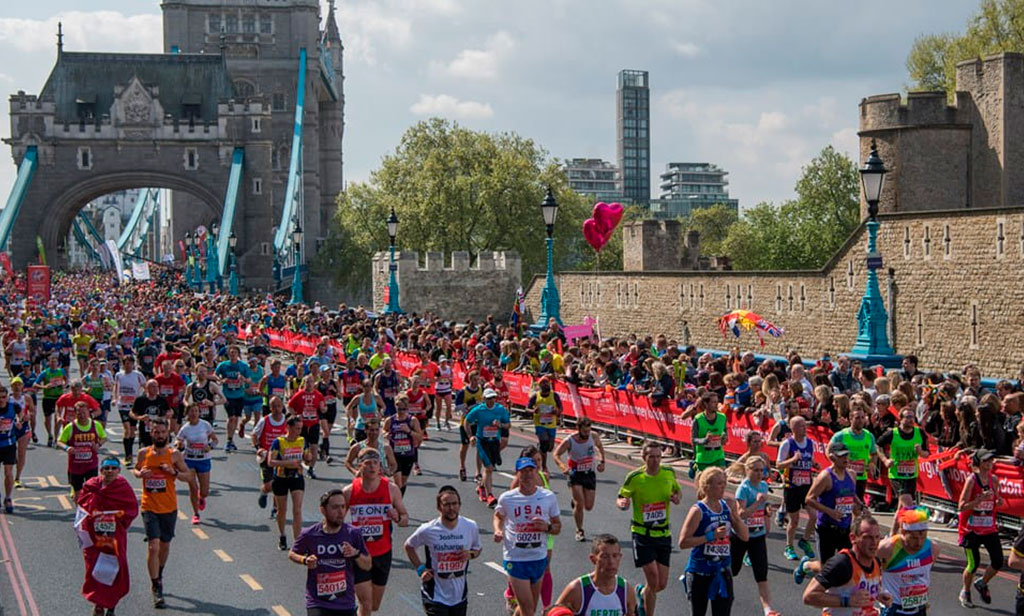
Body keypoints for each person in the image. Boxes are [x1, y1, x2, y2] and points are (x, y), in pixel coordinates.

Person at [616, 442, 682, 616]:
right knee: (653, 581)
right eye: (651, 457)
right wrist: (623, 503)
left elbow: (677, 490)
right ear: (644, 457)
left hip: (663, 534)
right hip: (642, 534)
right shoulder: (635, 477)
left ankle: (641, 594)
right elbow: (622, 496)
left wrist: (676, 497)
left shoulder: (668, 473)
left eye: (658, 456)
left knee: (661, 584)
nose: (655, 460)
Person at [132, 417, 192, 608]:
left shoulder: (174, 455)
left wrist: (173, 473)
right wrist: (139, 474)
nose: (159, 435)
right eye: (156, 432)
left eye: (162, 432)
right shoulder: (144, 453)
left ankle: (160, 571)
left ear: (168, 433)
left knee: (164, 546)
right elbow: (135, 469)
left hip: (169, 507)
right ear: (151, 433)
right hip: (149, 506)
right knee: (153, 546)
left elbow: (189, 476)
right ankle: (156, 585)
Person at [344, 447, 409, 616]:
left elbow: (405, 519)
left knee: (373, 605)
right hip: (358, 553)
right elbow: (336, 520)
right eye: (368, 463)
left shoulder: (391, 489)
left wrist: (397, 517)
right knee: (365, 604)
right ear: (360, 466)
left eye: (376, 463)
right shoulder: (349, 491)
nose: (372, 467)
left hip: (383, 553)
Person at [494, 456, 561, 616]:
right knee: (528, 611)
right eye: (523, 472)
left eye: (530, 471)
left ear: (536, 472)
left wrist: (547, 527)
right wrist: (498, 529)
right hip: (515, 558)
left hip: (538, 557)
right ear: (517, 474)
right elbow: (498, 515)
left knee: (530, 607)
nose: (527, 475)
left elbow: (557, 527)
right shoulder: (507, 498)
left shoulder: (548, 497)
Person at [289, 488, 372, 616]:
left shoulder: (353, 533)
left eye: (343, 507)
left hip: (345, 603)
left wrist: (355, 554)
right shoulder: (310, 534)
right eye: (335, 507)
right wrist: (305, 560)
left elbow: (367, 564)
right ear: (323, 510)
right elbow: (292, 553)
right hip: (318, 602)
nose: (341, 512)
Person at [678, 467, 748, 616]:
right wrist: (710, 536)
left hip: (722, 571)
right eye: (719, 484)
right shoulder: (698, 510)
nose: (723, 487)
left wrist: (735, 515)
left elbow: (745, 536)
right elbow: (683, 542)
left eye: (724, 483)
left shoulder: (726, 507)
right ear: (707, 486)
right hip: (699, 572)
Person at [404, 485, 482, 616]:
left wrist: (470, 554)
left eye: (454, 504)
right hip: (435, 593)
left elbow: (477, 549)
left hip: (459, 594)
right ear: (439, 507)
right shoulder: (428, 529)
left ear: (459, 505)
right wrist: (420, 569)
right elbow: (409, 546)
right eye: (446, 505)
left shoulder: (470, 526)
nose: (451, 508)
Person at [77, 457, 139, 616]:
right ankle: (98, 603)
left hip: (114, 538)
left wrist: (117, 516)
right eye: (106, 468)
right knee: (94, 568)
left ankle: (111, 604)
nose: (109, 471)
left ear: (118, 471)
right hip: (94, 537)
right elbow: (82, 506)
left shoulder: (122, 487)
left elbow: (131, 509)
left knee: (115, 569)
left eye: (113, 468)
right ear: (101, 470)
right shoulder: (91, 486)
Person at [802, 513, 892, 614]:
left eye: (877, 537)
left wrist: (879, 595)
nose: (874, 542)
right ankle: (806, 565)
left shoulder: (875, 561)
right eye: (868, 537)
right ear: (853, 538)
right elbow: (809, 596)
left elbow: (864, 588)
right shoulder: (842, 563)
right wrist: (847, 601)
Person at [730, 456, 778, 616]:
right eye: (756, 470)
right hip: (740, 536)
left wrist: (767, 509)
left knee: (761, 573)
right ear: (747, 470)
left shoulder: (764, 486)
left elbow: (763, 506)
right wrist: (757, 503)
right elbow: (741, 514)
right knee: (732, 570)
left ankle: (768, 610)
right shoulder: (743, 489)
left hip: (758, 535)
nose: (759, 474)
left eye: (762, 470)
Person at [957, 448, 1005, 607]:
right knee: (973, 564)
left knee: (998, 561)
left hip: (989, 527)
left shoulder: (994, 480)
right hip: (971, 529)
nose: (990, 463)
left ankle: (982, 582)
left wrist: (999, 501)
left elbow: (997, 498)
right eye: (986, 461)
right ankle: (966, 591)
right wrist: (977, 501)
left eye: (991, 460)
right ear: (979, 463)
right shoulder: (972, 480)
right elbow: (961, 506)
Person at [551, 533, 638, 616]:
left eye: (615, 556)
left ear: (620, 557)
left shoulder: (626, 590)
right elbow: (553, 613)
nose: (611, 562)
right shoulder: (577, 589)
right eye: (605, 556)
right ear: (593, 559)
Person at [805, 441, 861, 564]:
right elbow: (809, 499)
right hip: (827, 528)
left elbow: (851, 493)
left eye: (846, 455)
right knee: (826, 568)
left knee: (848, 564)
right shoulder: (825, 477)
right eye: (841, 456)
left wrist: (859, 504)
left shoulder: (851, 474)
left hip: (845, 528)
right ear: (832, 457)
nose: (845, 458)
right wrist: (830, 511)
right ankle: (807, 565)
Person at [552, 417, 606, 542]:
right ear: (578, 429)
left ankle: (575, 502)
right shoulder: (570, 440)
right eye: (584, 431)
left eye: (589, 430)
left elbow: (600, 447)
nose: (587, 434)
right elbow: (556, 454)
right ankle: (579, 530)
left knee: (588, 506)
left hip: (589, 473)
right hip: (575, 473)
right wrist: (562, 466)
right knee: (580, 504)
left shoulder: (594, 436)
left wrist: (602, 461)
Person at [877, 506, 938, 616]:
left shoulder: (933, 548)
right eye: (913, 538)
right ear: (903, 531)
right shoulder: (887, 548)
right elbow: (867, 569)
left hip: (919, 608)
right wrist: (877, 591)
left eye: (923, 537)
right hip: (893, 609)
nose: (919, 543)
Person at [268, 414, 313, 550]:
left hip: (297, 478)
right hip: (281, 478)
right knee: (282, 510)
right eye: (296, 428)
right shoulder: (279, 442)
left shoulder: (302, 440)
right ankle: (282, 535)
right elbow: (270, 462)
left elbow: (306, 457)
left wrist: (308, 458)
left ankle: (298, 542)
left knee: (297, 510)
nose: (298, 431)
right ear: (288, 427)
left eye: (300, 428)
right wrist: (287, 463)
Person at [777, 415, 817, 561]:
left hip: (806, 486)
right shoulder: (787, 444)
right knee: (794, 521)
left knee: (814, 516)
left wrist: (814, 464)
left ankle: (804, 541)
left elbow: (809, 458)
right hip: (792, 486)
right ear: (793, 428)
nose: (804, 428)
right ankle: (789, 547)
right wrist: (793, 460)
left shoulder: (810, 443)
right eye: (801, 426)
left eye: (805, 425)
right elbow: (778, 465)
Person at [464, 388, 511, 507]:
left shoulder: (500, 409)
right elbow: (467, 422)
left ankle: (481, 486)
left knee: (490, 467)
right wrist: (470, 436)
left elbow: (508, 424)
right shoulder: (479, 410)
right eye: (489, 398)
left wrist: (501, 425)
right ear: (484, 399)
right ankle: (490, 495)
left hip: (494, 442)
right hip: (482, 441)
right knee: (489, 468)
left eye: (493, 398)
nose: (491, 401)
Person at [878, 409, 929, 511]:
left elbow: (926, 454)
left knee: (902, 508)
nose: (911, 420)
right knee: (908, 504)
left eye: (912, 417)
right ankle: (913, 526)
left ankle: (896, 527)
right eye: (908, 417)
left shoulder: (920, 433)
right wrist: (885, 460)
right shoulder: (893, 433)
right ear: (900, 419)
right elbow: (877, 445)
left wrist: (920, 452)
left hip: (911, 475)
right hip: (896, 475)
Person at [176, 403, 218, 525]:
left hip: (203, 460)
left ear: (199, 413)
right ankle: (195, 514)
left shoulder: (205, 425)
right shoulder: (185, 428)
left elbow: (215, 439)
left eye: (196, 411)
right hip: (189, 459)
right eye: (191, 411)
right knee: (193, 488)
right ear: (187, 413)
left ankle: (202, 497)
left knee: (204, 491)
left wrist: (210, 446)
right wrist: (179, 445)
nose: (194, 414)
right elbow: (178, 440)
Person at [57, 400, 107, 500]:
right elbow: (59, 442)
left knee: (92, 491)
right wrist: (67, 448)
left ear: (89, 412)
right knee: (78, 493)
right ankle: (80, 513)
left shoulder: (96, 425)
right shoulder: (70, 427)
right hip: (75, 465)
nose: (82, 415)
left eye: (84, 413)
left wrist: (98, 444)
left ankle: (89, 512)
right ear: (75, 414)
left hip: (91, 464)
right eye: (79, 413)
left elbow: (104, 437)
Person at [829, 405, 877, 501]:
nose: (860, 420)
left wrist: (872, 463)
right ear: (850, 419)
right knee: (844, 503)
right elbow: (829, 450)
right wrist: (836, 464)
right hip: (843, 476)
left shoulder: (869, 436)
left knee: (858, 505)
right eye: (857, 418)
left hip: (861, 477)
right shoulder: (841, 435)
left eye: (863, 417)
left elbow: (874, 453)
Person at [251, 395, 289, 511]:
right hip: (266, 457)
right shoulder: (265, 421)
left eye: (279, 406)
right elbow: (254, 435)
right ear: (270, 408)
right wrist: (258, 448)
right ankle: (264, 491)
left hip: (282, 458)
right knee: (270, 484)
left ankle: (275, 508)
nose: (277, 409)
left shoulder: (287, 421)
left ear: (282, 407)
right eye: (274, 407)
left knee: (280, 484)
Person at [383, 393, 422, 496]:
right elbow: (382, 431)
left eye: (404, 409)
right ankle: (396, 504)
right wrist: (385, 434)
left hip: (408, 455)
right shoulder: (390, 420)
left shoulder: (412, 421)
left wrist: (409, 431)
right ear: (395, 407)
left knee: (403, 482)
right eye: (399, 409)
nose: (401, 412)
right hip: (394, 455)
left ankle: (398, 502)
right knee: (398, 482)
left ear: (407, 408)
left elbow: (420, 436)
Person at [215, 345, 252, 452]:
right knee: (231, 417)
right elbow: (215, 375)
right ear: (228, 354)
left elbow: (249, 380)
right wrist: (221, 380)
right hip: (228, 395)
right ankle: (228, 440)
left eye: (235, 353)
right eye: (231, 353)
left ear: (238, 354)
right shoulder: (223, 365)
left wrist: (243, 379)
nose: (233, 355)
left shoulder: (243, 366)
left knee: (235, 418)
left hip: (239, 395)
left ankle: (231, 440)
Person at [289, 375, 326, 479]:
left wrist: (323, 409)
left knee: (314, 448)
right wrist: (295, 415)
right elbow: (289, 406)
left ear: (314, 383)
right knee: (301, 449)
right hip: (302, 425)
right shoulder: (299, 394)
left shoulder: (318, 395)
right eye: (307, 382)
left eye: (311, 382)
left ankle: (310, 469)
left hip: (314, 424)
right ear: (304, 383)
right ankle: (297, 468)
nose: (309, 384)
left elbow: (324, 407)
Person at [113, 355, 146, 467]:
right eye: (126, 363)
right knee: (127, 429)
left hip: (135, 406)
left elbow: (145, 386)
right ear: (123, 364)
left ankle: (131, 452)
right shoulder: (119, 375)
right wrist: (114, 398)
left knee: (132, 430)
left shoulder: (138, 375)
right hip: (123, 406)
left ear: (133, 364)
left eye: (130, 363)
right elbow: (116, 387)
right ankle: (128, 455)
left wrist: (144, 399)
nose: (128, 366)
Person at [527, 377, 562, 473]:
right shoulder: (535, 396)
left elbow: (560, 409)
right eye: (543, 383)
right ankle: (544, 466)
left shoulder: (554, 395)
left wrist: (556, 411)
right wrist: (533, 411)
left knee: (550, 447)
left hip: (551, 425)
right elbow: (527, 408)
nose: (546, 385)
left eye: (547, 382)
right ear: (539, 385)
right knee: (544, 444)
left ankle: (540, 448)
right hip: (540, 424)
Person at [131, 379, 172, 449]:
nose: (155, 389)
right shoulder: (140, 400)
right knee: (145, 453)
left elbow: (170, 410)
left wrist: (169, 414)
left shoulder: (162, 399)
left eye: (157, 387)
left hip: (159, 433)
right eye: (153, 387)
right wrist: (140, 418)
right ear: (147, 388)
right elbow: (131, 413)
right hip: (145, 432)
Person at [692, 393, 728, 474]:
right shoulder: (698, 419)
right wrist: (705, 440)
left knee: (720, 480)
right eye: (713, 402)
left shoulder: (722, 417)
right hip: (703, 458)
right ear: (706, 403)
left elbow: (725, 432)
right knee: (704, 485)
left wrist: (724, 438)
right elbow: (694, 439)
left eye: (717, 402)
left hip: (718, 457)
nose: (716, 405)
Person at [0, 386, 22, 513]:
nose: (1, 400)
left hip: (9, 443)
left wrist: (19, 421)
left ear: (7, 397)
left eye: (3, 397)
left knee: (8, 473)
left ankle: (8, 498)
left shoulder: (13, 406)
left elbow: (19, 414)